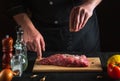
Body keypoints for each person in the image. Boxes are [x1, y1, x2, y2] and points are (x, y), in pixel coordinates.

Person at [7, 0, 102, 59]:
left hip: (82, 35)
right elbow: (14, 3)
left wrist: (90, 4)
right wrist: (26, 27)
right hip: (37, 34)